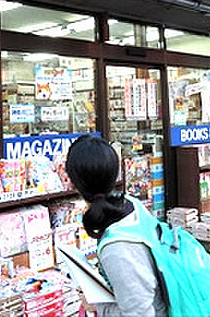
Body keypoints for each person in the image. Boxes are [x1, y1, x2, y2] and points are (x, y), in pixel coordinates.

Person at [65, 135, 167, 317]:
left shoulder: (117, 247)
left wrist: (98, 306)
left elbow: (139, 314)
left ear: (73, 182)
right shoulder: (131, 205)